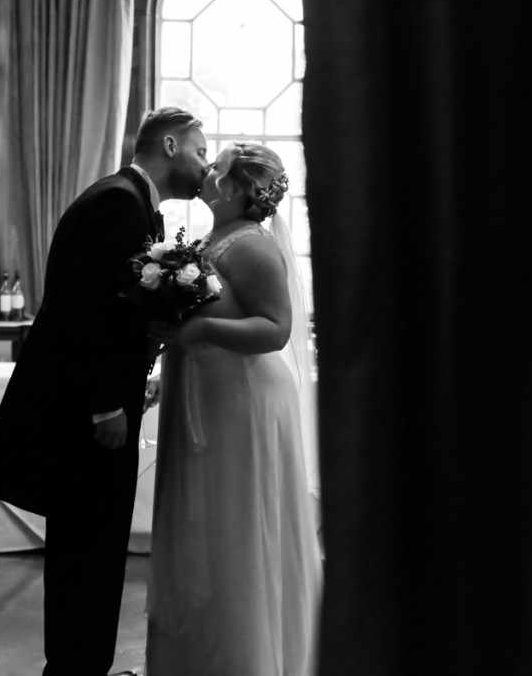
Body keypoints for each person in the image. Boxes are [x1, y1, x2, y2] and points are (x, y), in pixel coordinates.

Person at [0, 107, 208, 676]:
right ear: (172, 144)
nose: (205, 165)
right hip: (88, 416)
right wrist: (107, 400)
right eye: (202, 151)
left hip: (102, 403)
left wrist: (142, 363)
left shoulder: (133, 203)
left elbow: (119, 311)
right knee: (88, 548)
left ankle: (83, 665)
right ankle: (75, 668)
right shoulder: (117, 204)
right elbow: (84, 315)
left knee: (98, 546)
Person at [144, 142, 323, 675]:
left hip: (243, 405)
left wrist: (200, 328)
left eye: (217, 166)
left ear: (240, 188)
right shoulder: (209, 239)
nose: (207, 170)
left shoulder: (251, 245)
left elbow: (276, 329)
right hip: (207, 396)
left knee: (235, 526)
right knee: (203, 525)